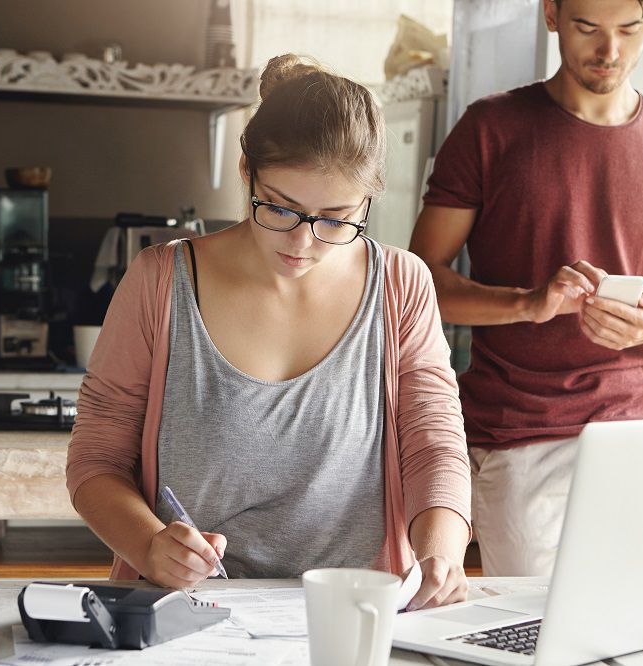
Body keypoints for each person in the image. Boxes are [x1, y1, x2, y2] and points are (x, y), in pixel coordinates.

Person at [67, 55, 472, 610]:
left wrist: (441, 554)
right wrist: (148, 544)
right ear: (246, 171)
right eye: (280, 209)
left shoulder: (400, 285)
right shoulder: (160, 282)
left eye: (336, 218)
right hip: (186, 617)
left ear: (369, 199)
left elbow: (434, 443)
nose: (303, 243)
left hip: (355, 611)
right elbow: (96, 460)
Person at [409, 0, 643, 577]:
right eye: (588, 28)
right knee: (532, 638)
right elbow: (416, 284)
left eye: (629, 29)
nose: (610, 52)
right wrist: (527, 304)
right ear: (552, 13)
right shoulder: (490, 129)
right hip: (522, 434)